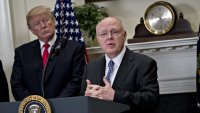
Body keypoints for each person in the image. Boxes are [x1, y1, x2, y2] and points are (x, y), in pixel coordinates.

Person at [80, 17, 159, 113]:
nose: (109, 37)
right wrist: (87, 98)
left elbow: (151, 100)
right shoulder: (90, 68)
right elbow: (82, 104)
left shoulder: (144, 63)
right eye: (104, 34)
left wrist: (114, 95)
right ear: (98, 39)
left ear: (124, 35)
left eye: (115, 32)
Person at [10, 6, 85, 101]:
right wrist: (34, 104)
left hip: (65, 106)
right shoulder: (22, 53)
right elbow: (17, 85)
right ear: (32, 30)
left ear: (53, 21)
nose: (43, 25)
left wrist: (57, 104)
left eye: (46, 20)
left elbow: (77, 80)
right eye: (37, 23)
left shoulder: (74, 48)